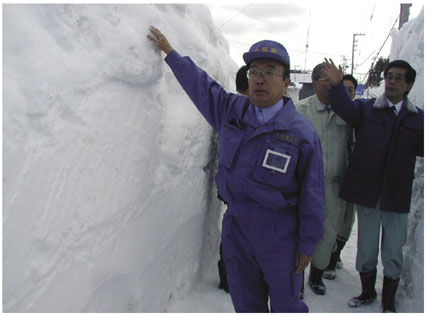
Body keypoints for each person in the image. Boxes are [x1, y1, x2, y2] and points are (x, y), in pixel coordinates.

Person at [147, 26, 325, 312]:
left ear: (286, 82)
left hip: (280, 236)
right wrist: (171, 53)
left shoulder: (300, 133)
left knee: (286, 305)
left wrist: (307, 242)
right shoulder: (232, 111)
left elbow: (313, 192)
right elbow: (202, 87)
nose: (260, 79)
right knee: (245, 302)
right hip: (237, 229)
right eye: (254, 72)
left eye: (270, 72)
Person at [323, 58, 423, 312]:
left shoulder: (417, 119)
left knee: (393, 250)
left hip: (396, 195)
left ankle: (388, 299)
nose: (392, 81)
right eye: (390, 76)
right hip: (368, 192)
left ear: (409, 85)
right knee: (366, 249)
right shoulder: (367, 109)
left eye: (399, 77)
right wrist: (336, 85)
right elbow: (344, 107)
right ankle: (367, 291)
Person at [296, 63, 353, 296]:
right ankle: (295, 279)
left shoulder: (347, 112)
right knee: (299, 232)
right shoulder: (300, 110)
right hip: (304, 185)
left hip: (334, 185)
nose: (331, 86)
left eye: (334, 82)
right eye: (326, 81)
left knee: (328, 234)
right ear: (314, 81)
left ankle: (317, 275)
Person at [217, 65, 249, 294]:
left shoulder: (228, 107)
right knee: (236, 234)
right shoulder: (242, 111)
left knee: (231, 232)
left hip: (231, 186)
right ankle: (231, 276)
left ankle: (228, 276)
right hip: (240, 188)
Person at [324, 74, 358, 277]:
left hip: (353, 178)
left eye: (350, 90)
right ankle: (327, 257)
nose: (346, 94)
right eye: (342, 89)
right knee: (330, 219)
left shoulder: (362, 115)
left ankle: (336, 255)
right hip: (331, 177)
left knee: (347, 220)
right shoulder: (330, 114)